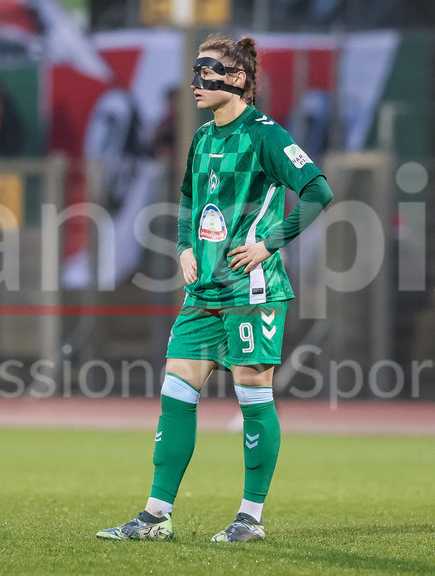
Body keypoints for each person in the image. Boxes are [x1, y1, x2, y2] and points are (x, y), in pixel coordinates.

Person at [97, 33, 334, 543]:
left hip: (252, 291)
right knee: (175, 394)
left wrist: (269, 244)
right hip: (203, 291)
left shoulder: (267, 136)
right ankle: (155, 517)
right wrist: (184, 246)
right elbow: (187, 197)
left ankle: (250, 518)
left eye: (207, 72)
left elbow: (319, 190)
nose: (196, 82)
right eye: (196, 71)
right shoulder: (203, 137)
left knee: (254, 398)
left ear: (238, 79)